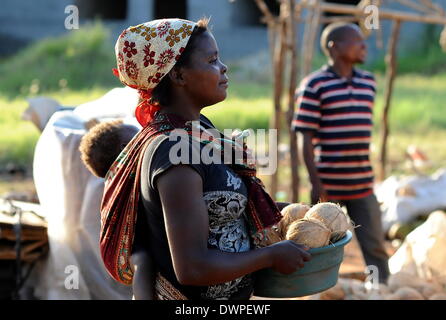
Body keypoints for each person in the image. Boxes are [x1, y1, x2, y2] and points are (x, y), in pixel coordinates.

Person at [100, 18, 311, 300]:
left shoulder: (200, 132)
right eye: (212, 60)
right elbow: (193, 267)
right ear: (178, 76)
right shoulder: (172, 153)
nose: (223, 67)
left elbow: (221, 209)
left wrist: (295, 213)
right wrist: (270, 256)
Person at [291, 22, 389, 283]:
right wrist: (316, 183)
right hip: (328, 183)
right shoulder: (314, 85)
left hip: (362, 181)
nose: (363, 46)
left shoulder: (368, 82)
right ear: (335, 48)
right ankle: (311, 288)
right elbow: (305, 137)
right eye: (356, 41)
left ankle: (381, 288)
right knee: (317, 243)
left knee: (375, 243)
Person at [79, 120, 154, 299]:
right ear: (125, 148)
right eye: (137, 134)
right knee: (142, 260)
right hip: (142, 239)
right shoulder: (130, 187)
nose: (144, 137)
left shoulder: (116, 187)